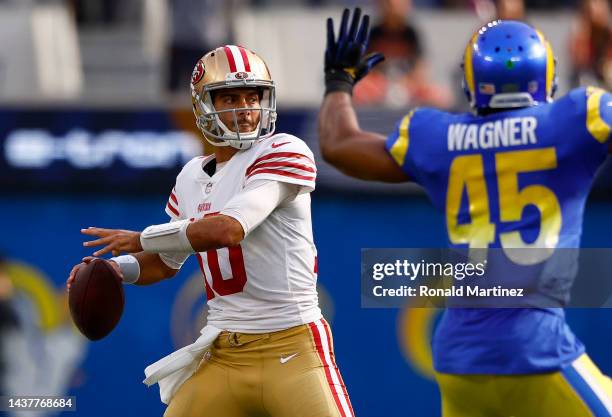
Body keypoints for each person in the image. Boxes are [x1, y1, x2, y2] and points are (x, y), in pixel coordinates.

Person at [320, 9, 612, 416]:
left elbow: (338, 145)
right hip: (536, 350)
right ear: (545, 75)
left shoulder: (435, 135)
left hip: (459, 359)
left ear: (473, 80)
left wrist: (339, 82)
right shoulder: (579, 117)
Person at [67, 45, 354, 417]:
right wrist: (115, 269)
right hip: (223, 354)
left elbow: (228, 230)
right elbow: (165, 262)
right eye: (230, 97)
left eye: (254, 96)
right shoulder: (191, 176)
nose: (247, 108)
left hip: (292, 346)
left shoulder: (285, 149)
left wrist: (139, 237)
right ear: (203, 106)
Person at [353, 0, 452, 109]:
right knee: (355, 91)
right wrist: (380, 84)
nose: (394, 10)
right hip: (379, 87)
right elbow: (364, 69)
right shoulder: (373, 34)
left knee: (439, 95)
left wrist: (406, 84)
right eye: (389, 5)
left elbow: (420, 70)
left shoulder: (411, 34)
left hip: (407, 87)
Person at [569, 0, 612, 90]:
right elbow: (579, 61)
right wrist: (585, 32)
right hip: (587, 74)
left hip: (603, 73)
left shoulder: (607, 33)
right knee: (585, 80)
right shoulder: (581, 34)